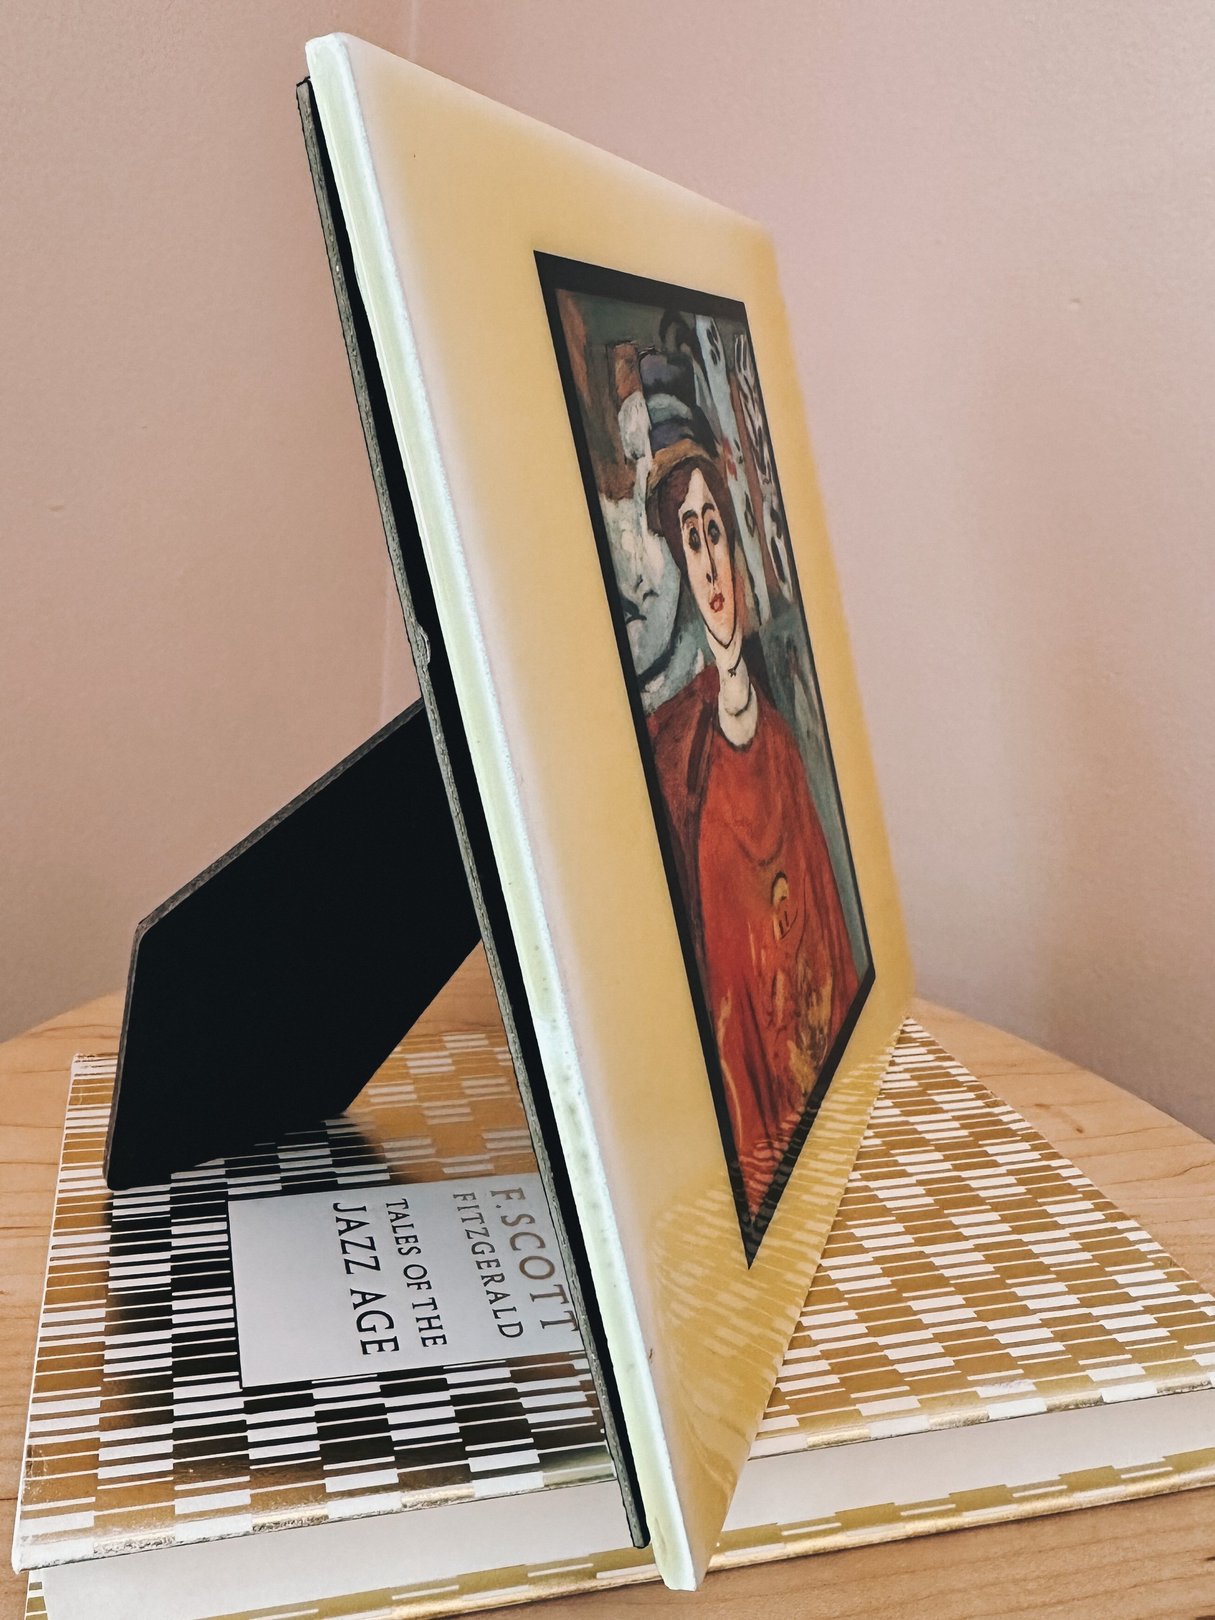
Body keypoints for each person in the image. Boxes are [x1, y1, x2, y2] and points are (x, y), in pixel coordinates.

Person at [644, 430, 859, 1218]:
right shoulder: (671, 750)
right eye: (689, 537)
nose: (708, 565)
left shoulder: (779, 742)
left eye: (715, 531)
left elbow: (831, 937)